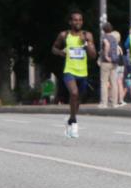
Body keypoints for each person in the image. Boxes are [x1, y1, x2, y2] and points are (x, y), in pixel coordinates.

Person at [52, 10, 97, 138]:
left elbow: (93, 56)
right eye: (75, 20)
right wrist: (60, 52)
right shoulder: (64, 35)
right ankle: (74, 122)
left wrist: (85, 43)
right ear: (70, 22)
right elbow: (54, 48)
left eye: (80, 20)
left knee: (78, 100)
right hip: (69, 71)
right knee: (74, 93)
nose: (78, 22)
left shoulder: (87, 35)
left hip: (83, 72)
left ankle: (71, 119)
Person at [98, 22, 121, 107]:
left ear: (103, 30)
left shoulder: (104, 37)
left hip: (106, 62)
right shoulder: (114, 38)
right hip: (114, 62)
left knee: (104, 82)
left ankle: (104, 103)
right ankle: (114, 103)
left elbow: (107, 45)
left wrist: (106, 55)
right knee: (113, 83)